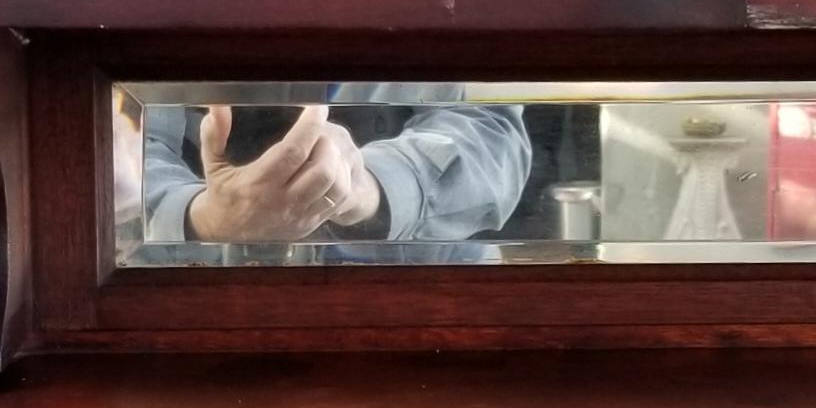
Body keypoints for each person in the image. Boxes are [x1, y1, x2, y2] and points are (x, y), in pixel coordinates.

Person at [139, 85, 531, 248]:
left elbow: (492, 130)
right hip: (191, 300)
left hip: (428, 301)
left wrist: (371, 186)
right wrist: (201, 218)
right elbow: (111, 135)